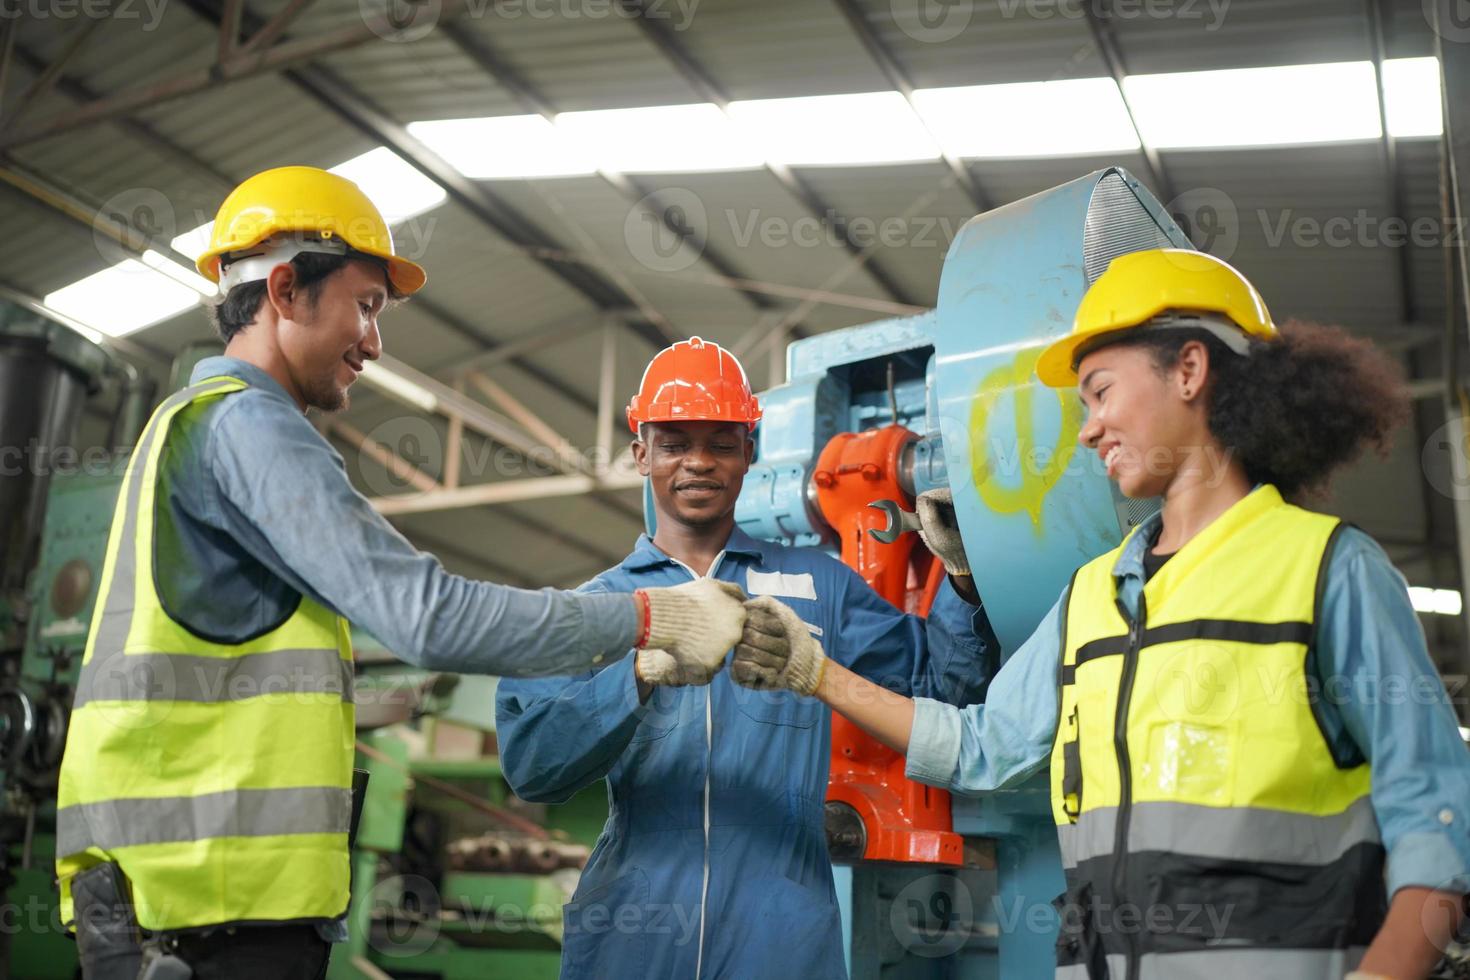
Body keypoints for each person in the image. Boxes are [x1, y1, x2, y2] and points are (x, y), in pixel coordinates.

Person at [55, 167, 745, 980]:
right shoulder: (252, 430)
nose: (375, 342)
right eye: (367, 304)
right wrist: (651, 617)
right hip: (209, 917)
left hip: (171, 910)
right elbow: (430, 616)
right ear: (285, 288)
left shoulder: (183, 425)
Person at [736, 249, 1470, 979]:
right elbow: (978, 747)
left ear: (1189, 370)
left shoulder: (1327, 570)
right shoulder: (1093, 594)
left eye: (1100, 391)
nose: (1088, 429)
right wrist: (815, 672)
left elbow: (1438, 820)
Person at [495, 337, 999, 979]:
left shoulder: (822, 586)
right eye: (675, 443)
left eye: (722, 442)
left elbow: (942, 687)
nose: (699, 462)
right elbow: (533, 766)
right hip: (635, 935)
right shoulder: (600, 607)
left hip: (782, 941)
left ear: (750, 454)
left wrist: (961, 575)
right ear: (641, 452)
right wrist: (637, 677)